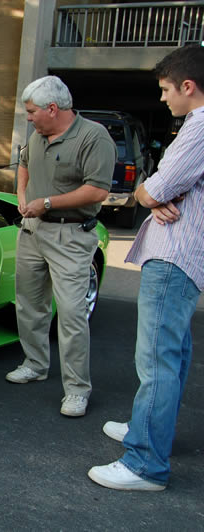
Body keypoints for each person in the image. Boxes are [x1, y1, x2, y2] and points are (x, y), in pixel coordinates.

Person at [88, 44, 204, 492]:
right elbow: (162, 190)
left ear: (188, 86)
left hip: (173, 257)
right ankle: (150, 433)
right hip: (187, 257)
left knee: (156, 360)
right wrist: (159, 195)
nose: (163, 99)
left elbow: (151, 190)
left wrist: (152, 196)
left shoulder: (197, 128)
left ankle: (144, 464)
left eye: (166, 89)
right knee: (172, 357)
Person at [5, 75, 116, 417]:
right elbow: (23, 165)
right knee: (29, 304)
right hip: (33, 229)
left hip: (71, 235)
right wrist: (23, 198)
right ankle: (36, 365)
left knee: (70, 314)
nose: (29, 118)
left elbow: (97, 191)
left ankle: (77, 390)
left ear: (53, 109)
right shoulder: (37, 135)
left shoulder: (93, 137)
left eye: (32, 111)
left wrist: (48, 203)